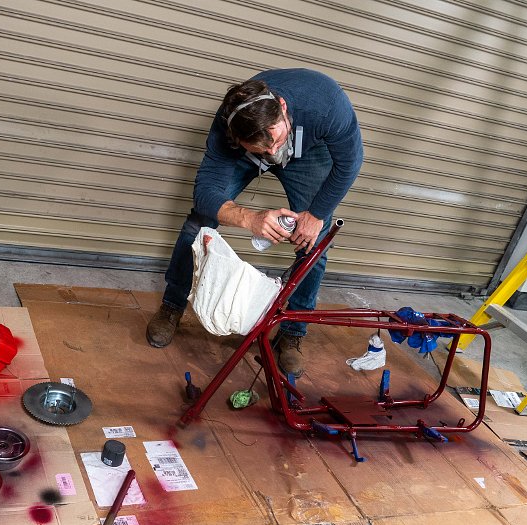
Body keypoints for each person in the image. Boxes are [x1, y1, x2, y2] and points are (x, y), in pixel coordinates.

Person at [146, 68, 364, 377]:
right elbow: (205, 193)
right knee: (199, 223)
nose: (273, 154)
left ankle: (291, 334)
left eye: (276, 140)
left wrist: (315, 216)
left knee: (313, 240)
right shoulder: (227, 128)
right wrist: (250, 218)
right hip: (248, 153)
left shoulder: (325, 102)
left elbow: (350, 162)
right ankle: (172, 304)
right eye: (265, 149)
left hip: (308, 152)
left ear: (283, 107)